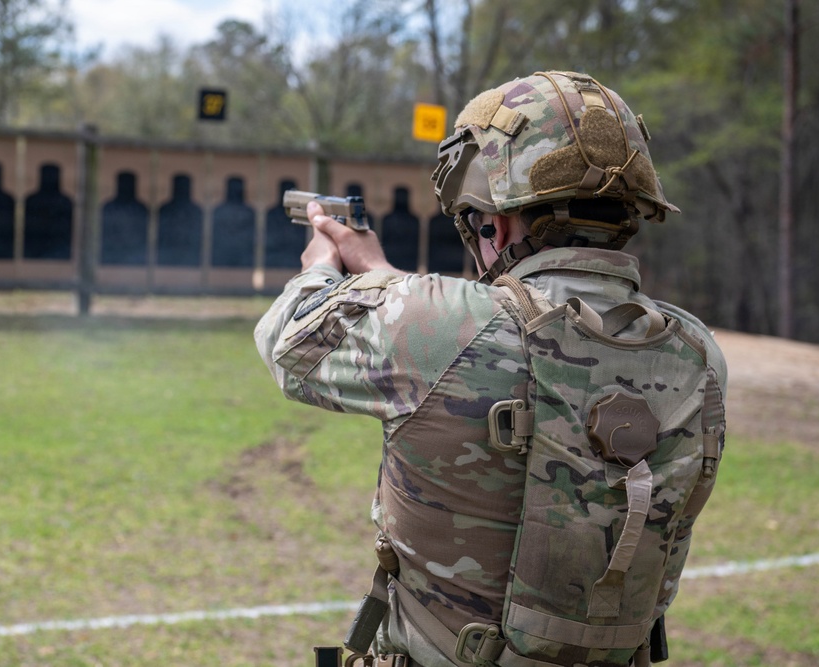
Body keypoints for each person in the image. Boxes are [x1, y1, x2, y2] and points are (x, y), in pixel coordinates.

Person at [254, 71, 727, 667]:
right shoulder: (698, 353)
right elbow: (484, 323)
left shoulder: (436, 326)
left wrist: (320, 266)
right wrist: (384, 277)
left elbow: (287, 340)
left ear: (494, 224)